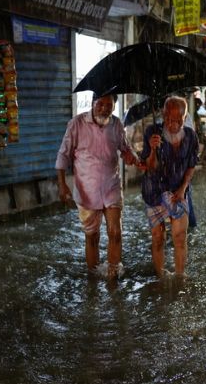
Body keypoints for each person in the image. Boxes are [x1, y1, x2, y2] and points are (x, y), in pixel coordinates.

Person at [55, 93, 144, 279]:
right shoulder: (76, 124)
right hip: (87, 190)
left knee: (115, 231)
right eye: (100, 103)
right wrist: (62, 184)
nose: (104, 108)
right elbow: (63, 154)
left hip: (111, 186)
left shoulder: (117, 124)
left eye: (109, 104)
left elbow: (124, 148)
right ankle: (93, 279)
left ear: (114, 106)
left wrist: (131, 157)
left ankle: (113, 277)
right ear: (93, 103)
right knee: (92, 237)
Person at [141, 96, 199, 277]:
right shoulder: (152, 132)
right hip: (154, 192)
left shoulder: (190, 136)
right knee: (158, 238)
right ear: (163, 115)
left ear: (185, 118)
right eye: (168, 119)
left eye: (177, 120)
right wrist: (152, 150)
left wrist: (183, 188)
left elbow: (191, 166)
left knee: (180, 237)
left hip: (178, 191)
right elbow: (149, 167)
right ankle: (160, 277)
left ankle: (180, 277)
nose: (172, 124)